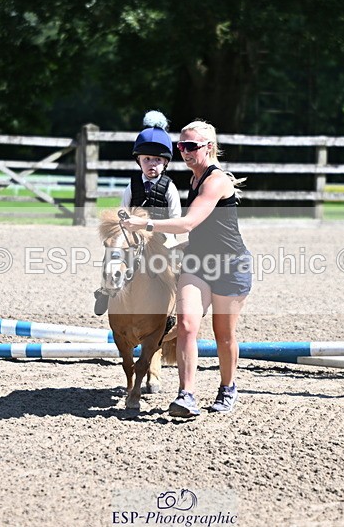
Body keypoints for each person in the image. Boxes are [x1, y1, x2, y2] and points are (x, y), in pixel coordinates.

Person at [120, 119, 252, 417]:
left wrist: (144, 224)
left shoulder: (216, 181)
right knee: (186, 326)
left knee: (223, 335)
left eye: (191, 146)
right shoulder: (193, 180)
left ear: (209, 147)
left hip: (231, 266)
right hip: (198, 262)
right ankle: (186, 395)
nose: (185, 151)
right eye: (181, 146)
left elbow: (188, 223)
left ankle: (228, 388)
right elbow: (198, 233)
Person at [94, 110, 182, 315]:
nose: (152, 164)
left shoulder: (169, 188)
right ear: (139, 160)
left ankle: (175, 304)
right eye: (147, 159)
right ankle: (105, 290)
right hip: (134, 236)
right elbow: (122, 212)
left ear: (165, 162)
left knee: (175, 265)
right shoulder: (132, 186)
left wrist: (164, 233)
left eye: (157, 160)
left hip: (161, 235)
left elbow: (176, 217)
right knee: (112, 253)